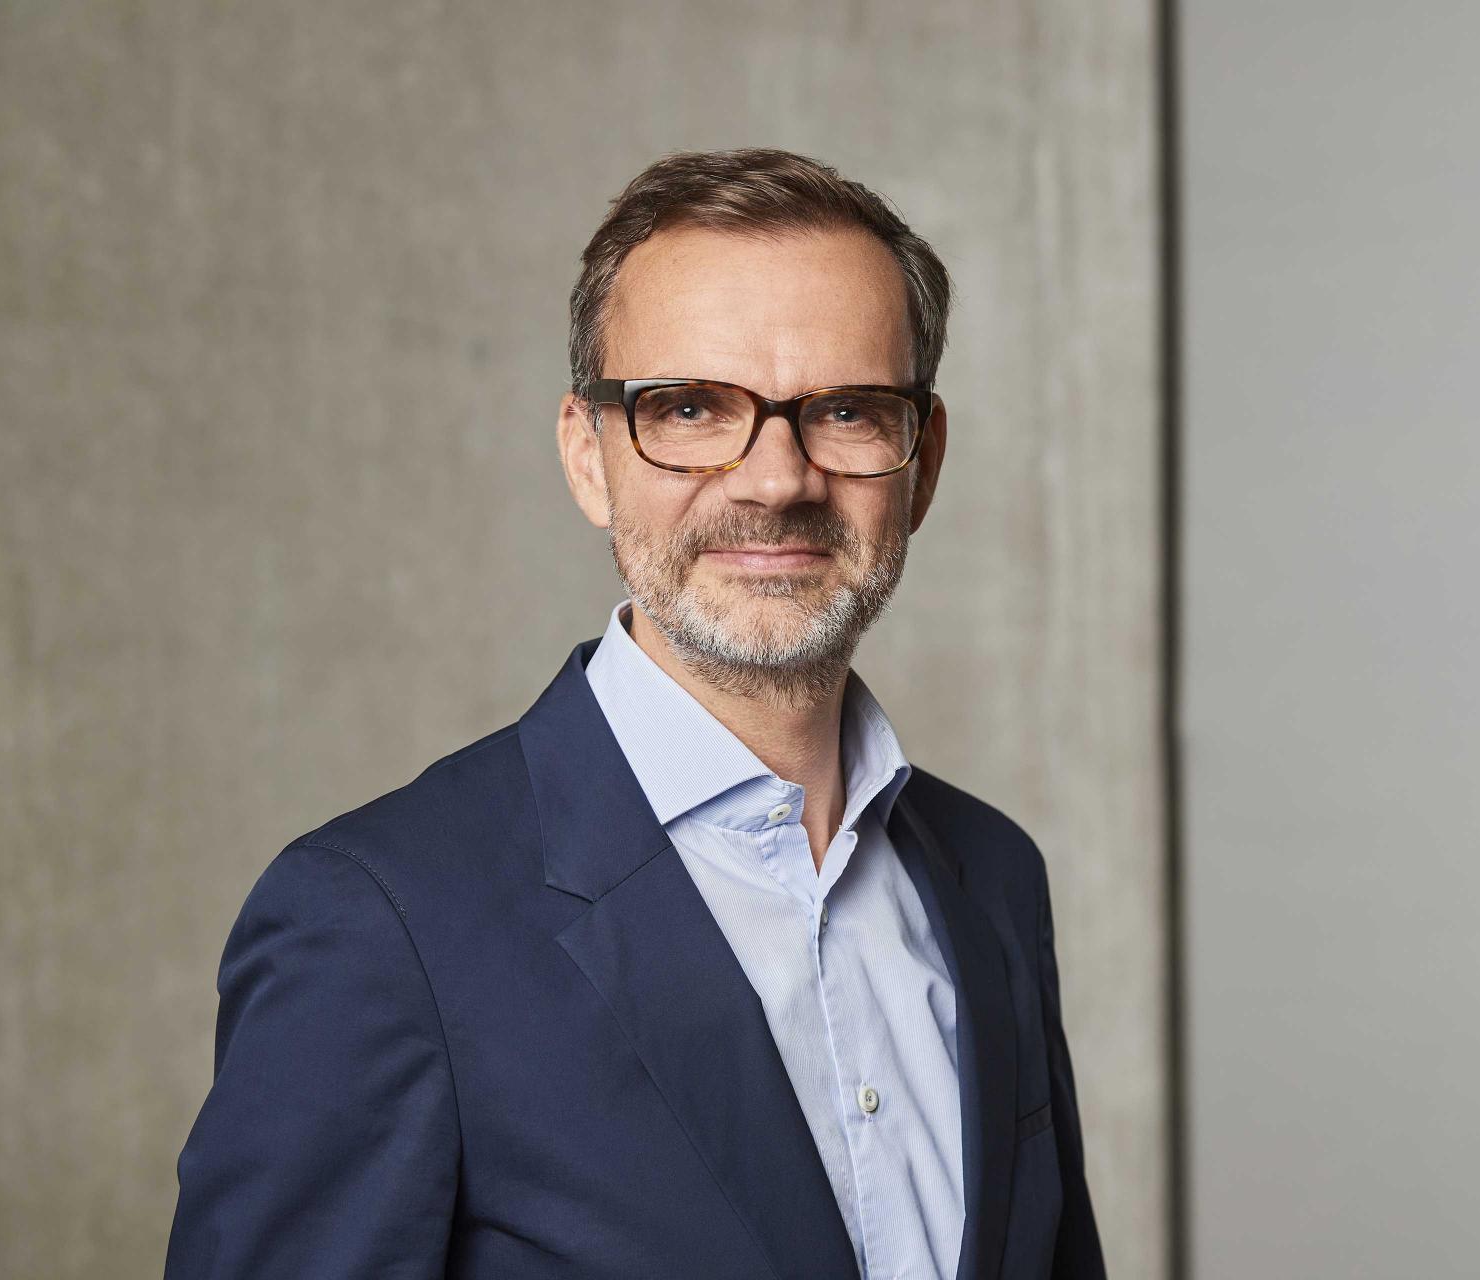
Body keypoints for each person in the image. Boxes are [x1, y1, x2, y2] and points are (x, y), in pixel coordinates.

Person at [164, 147, 1106, 1280]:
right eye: (692, 407)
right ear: (587, 453)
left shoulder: (993, 878)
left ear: (924, 459)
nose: (775, 479)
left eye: (848, 409)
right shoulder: (379, 921)